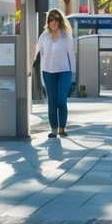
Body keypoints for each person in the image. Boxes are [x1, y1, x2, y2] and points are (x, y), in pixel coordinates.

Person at [35, 8, 77, 137]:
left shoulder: (66, 35)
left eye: (56, 19)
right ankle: (53, 129)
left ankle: (62, 128)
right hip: (48, 72)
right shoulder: (44, 36)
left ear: (60, 21)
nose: (53, 22)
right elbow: (37, 51)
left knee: (61, 100)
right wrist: (29, 67)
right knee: (52, 101)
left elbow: (71, 53)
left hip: (64, 71)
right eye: (50, 20)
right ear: (48, 22)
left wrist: (73, 71)